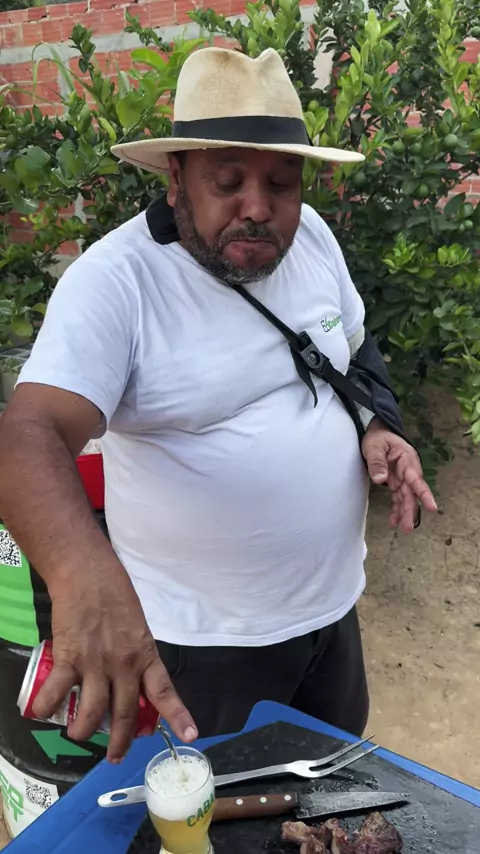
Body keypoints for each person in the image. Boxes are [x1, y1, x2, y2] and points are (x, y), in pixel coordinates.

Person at [0, 47, 437, 765]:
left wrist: (376, 424)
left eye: (281, 183)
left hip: (330, 612)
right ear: (176, 178)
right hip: (204, 647)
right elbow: (29, 432)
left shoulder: (312, 237)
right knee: (225, 810)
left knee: (330, 787)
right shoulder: (117, 283)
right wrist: (81, 575)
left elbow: (354, 351)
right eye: (227, 182)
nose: (258, 208)